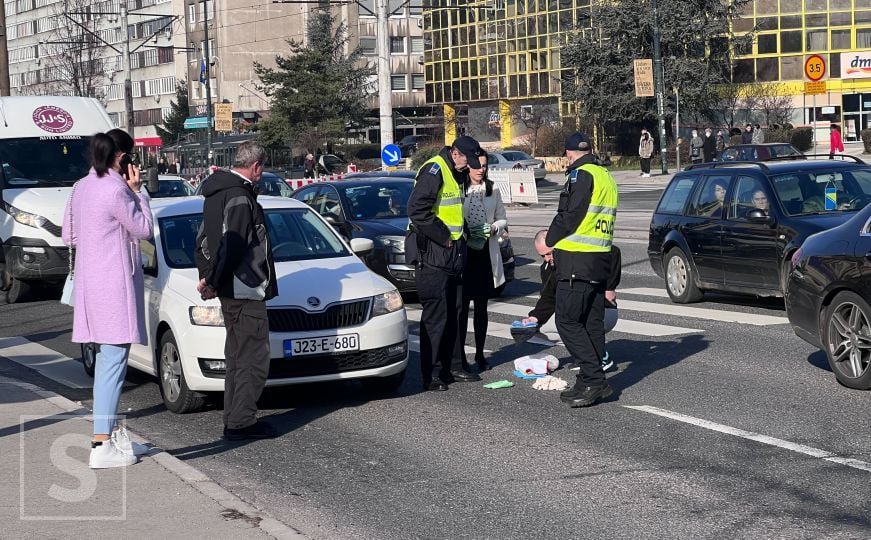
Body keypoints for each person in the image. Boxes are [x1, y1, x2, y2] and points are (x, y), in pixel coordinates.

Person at [62, 129, 153, 468]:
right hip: (114, 285)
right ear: (122, 157)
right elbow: (144, 230)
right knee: (114, 362)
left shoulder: (81, 187)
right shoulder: (117, 190)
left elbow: (67, 234)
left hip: (90, 284)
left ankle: (108, 435)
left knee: (106, 361)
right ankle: (101, 444)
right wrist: (138, 193)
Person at [195, 141, 278, 441]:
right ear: (255, 167)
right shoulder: (241, 197)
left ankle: (235, 417)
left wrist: (208, 278)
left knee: (236, 357)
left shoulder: (214, 194)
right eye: (263, 168)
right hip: (245, 289)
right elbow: (234, 245)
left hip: (230, 290)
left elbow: (203, 242)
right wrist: (214, 281)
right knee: (252, 359)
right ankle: (241, 422)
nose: (262, 174)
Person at [546, 132, 618, 408]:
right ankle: (590, 380)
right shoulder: (605, 176)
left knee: (567, 321)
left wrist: (550, 239)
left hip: (578, 258)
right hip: (600, 257)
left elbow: (571, 214)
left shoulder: (580, 174)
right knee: (590, 321)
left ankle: (594, 379)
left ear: (568, 153)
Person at [406, 135, 482, 391]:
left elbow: (453, 211)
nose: (469, 167)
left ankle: (455, 366)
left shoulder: (455, 172)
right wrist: (444, 238)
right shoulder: (434, 170)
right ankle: (433, 373)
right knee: (437, 316)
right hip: (434, 254)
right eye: (467, 161)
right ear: (456, 153)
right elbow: (417, 211)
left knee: (457, 312)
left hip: (453, 254)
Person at [516, 231, 621, 372]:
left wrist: (610, 287)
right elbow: (549, 297)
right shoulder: (548, 268)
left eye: (550, 253)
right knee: (544, 326)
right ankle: (586, 356)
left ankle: (598, 357)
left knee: (567, 321)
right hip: (581, 309)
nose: (547, 259)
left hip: (603, 310)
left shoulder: (576, 254)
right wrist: (534, 317)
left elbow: (613, 251)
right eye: (543, 256)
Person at [453, 152, 507, 373]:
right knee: (463, 307)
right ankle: (461, 357)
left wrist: (494, 227)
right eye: (477, 166)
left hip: (485, 251)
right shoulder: (460, 188)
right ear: (469, 167)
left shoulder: (492, 188)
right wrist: (466, 232)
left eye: (484, 166)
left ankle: (480, 353)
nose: (481, 170)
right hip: (466, 253)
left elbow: (503, 217)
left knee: (482, 307)